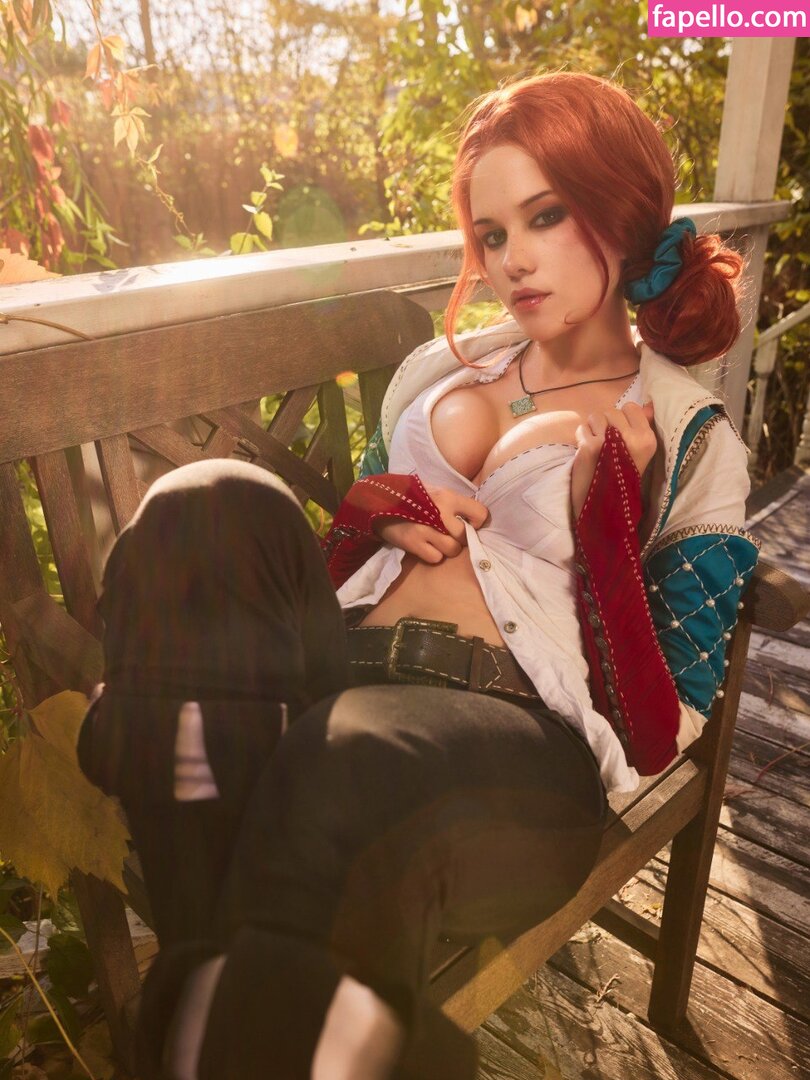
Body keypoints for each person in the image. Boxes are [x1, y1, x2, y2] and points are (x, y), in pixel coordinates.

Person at [78, 70, 761, 1079]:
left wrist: (604, 529)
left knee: (329, 755)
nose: (512, 259)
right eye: (491, 234)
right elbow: (337, 560)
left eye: (544, 215)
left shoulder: (692, 439)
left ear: (620, 213)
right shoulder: (435, 373)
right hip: (339, 670)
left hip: (512, 744)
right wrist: (379, 514)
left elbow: (663, 733)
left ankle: (155, 753)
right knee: (210, 498)